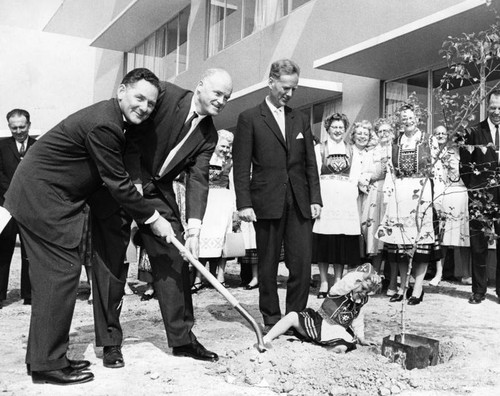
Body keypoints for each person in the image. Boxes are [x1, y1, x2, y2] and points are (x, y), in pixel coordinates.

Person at [3, 68, 173, 385]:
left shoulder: (113, 120)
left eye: (150, 104)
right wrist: (153, 218)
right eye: (139, 97)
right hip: (43, 200)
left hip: (44, 198)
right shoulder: (106, 124)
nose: (144, 108)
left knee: (57, 278)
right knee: (60, 275)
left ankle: (44, 359)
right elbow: (119, 185)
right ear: (121, 91)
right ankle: (48, 364)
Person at [91, 68, 233, 365]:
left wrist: (194, 230)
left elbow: (198, 179)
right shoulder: (165, 95)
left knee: (175, 256)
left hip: (158, 191)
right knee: (112, 260)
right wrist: (133, 181)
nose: (221, 101)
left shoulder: (209, 135)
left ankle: (182, 339)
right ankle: (109, 342)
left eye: (227, 97)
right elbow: (125, 129)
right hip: (122, 180)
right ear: (200, 85)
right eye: (217, 93)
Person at [233, 59, 322, 333]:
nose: (290, 94)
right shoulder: (249, 118)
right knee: (269, 265)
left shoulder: (299, 118)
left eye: (294, 89)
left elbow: (309, 163)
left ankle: (294, 318)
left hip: (299, 202)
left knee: (301, 264)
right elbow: (241, 164)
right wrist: (244, 203)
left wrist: (315, 198)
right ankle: (271, 317)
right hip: (266, 203)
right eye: (285, 87)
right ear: (271, 82)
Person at [377, 105, 441, 305]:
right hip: (400, 194)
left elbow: (437, 170)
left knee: (420, 244)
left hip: (421, 192)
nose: (408, 121)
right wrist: (389, 197)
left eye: (411, 117)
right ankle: (404, 286)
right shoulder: (395, 142)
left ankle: (418, 289)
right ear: (400, 121)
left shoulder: (429, 140)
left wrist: (437, 197)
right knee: (399, 245)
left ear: (418, 119)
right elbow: (389, 171)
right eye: (404, 118)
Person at [262, 263, 381, 352]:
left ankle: (317, 350)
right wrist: (365, 275)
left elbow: (358, 319)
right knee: (292, 316)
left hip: (336, 330)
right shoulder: (339, 290)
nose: (363, 293)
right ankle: (267, 339)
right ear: (357, 281)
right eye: (363, 288)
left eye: (368, 291)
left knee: (342, 347)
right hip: (318, 322)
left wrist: (361, 338)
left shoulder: (362, 301)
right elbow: (348, 281)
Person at [312, 114, 363, 298]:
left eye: (341, 127)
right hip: (326, 198)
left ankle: (338, 282)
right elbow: (315, 174)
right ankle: (324, 282)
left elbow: (355, 175)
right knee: (324, 242)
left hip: (345, 200)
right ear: (328, 129)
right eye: (334, 127)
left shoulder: (352, 150)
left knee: (341, 242)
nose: (338, 131)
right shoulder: (320, 148)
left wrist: (349, 194)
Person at [460, 90, 500, 304]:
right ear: (487, 107)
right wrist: (474, 190)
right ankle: (478, 291)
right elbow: (464, 166)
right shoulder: (473, 132)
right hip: (480, 198)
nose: (496, 112)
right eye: (493, 107)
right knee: (479, 245)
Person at [0, 109, 36, 308]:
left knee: (29, 250)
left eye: (22, 127)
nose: (18, 131)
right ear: (9, 127)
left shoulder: (38, 147)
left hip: (29, 208)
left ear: (29, 125)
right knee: (2, 251)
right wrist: (12, 194)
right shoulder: (1, 146)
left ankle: (29, 294)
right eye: (14, 128)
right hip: (6, 207)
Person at [192, 129, 235, 291]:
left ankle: (220, 275)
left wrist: (235, 208)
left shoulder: (230, 161)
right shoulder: (205, 158)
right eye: (223, 146)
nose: (225, 150)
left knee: (222, 239)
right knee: (203, 237)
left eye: (228, 147)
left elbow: (233, 185)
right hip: (207, 201)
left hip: (223, 202)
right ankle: (198, 276)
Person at [431, 125, 470, 287]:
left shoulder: (469, 154)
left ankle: (467, 274)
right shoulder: (444, 155)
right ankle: (439, 273)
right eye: (456, 138)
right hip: (447, 194)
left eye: (462, 139)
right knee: (443, 237)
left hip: (463, 195)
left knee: (464, 237)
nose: (459, 142)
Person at [359, 119, 394, 291]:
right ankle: (374, 278)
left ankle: (392, 280)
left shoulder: (396, 148)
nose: (383, 134)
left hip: (392, 193)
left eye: (387, 131)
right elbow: (365, 172)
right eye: (380, 131)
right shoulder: (372, 152)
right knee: (375, 235)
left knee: (391, 235)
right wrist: (372, 176)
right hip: (375, 192)